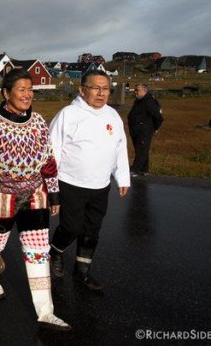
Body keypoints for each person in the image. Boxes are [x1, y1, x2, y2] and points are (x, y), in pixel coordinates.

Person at [0, 69, 70, 331]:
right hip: (2, 197)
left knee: (38, 252)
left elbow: (49, 161)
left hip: (36, 196)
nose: (27, 95)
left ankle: (45, 311)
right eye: (21, 90)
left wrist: (54, 193)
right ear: (6, 93)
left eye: (30, 89)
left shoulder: (38, 121)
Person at [49, 70, 130, 291]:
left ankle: (82, 272)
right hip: (71, 183)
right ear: (82, 89)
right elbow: (52, 150)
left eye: (106, 88)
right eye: (95, 88)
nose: (101, 93)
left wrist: (122, 176)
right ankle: (54, 252)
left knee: (92, 230)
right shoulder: (68, 114)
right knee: (72, 227)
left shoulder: (112, 115)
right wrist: (50, 184)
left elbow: (119, 148)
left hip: (100, 185)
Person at [128, 84, 163, 177]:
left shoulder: (149, 101)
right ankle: (144, 168)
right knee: (141, 149)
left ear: (144, 90)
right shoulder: (139, 100)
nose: (135, 92)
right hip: (137, 130)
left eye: (137, 90)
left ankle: (136, 169)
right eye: (135, 90)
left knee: (141, 149)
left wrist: (156, 127)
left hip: (144, 130)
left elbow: (158, 116)